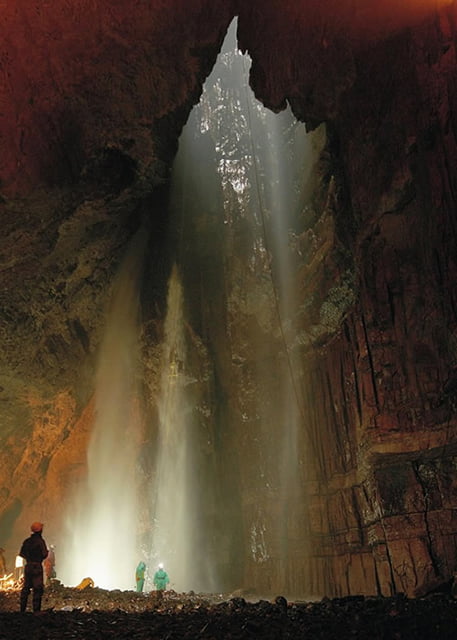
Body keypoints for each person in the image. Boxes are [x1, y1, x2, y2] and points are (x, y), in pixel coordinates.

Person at [19, 522, 48, 612]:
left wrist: (29, 558)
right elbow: (44, 554)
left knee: (26, 587)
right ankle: (36, 610)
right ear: (40, 531)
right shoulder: (40, 541)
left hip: (28, 566)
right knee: (37, 588)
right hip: (36, 566)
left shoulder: (27, 541)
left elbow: (22, 553)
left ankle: (22, 609)